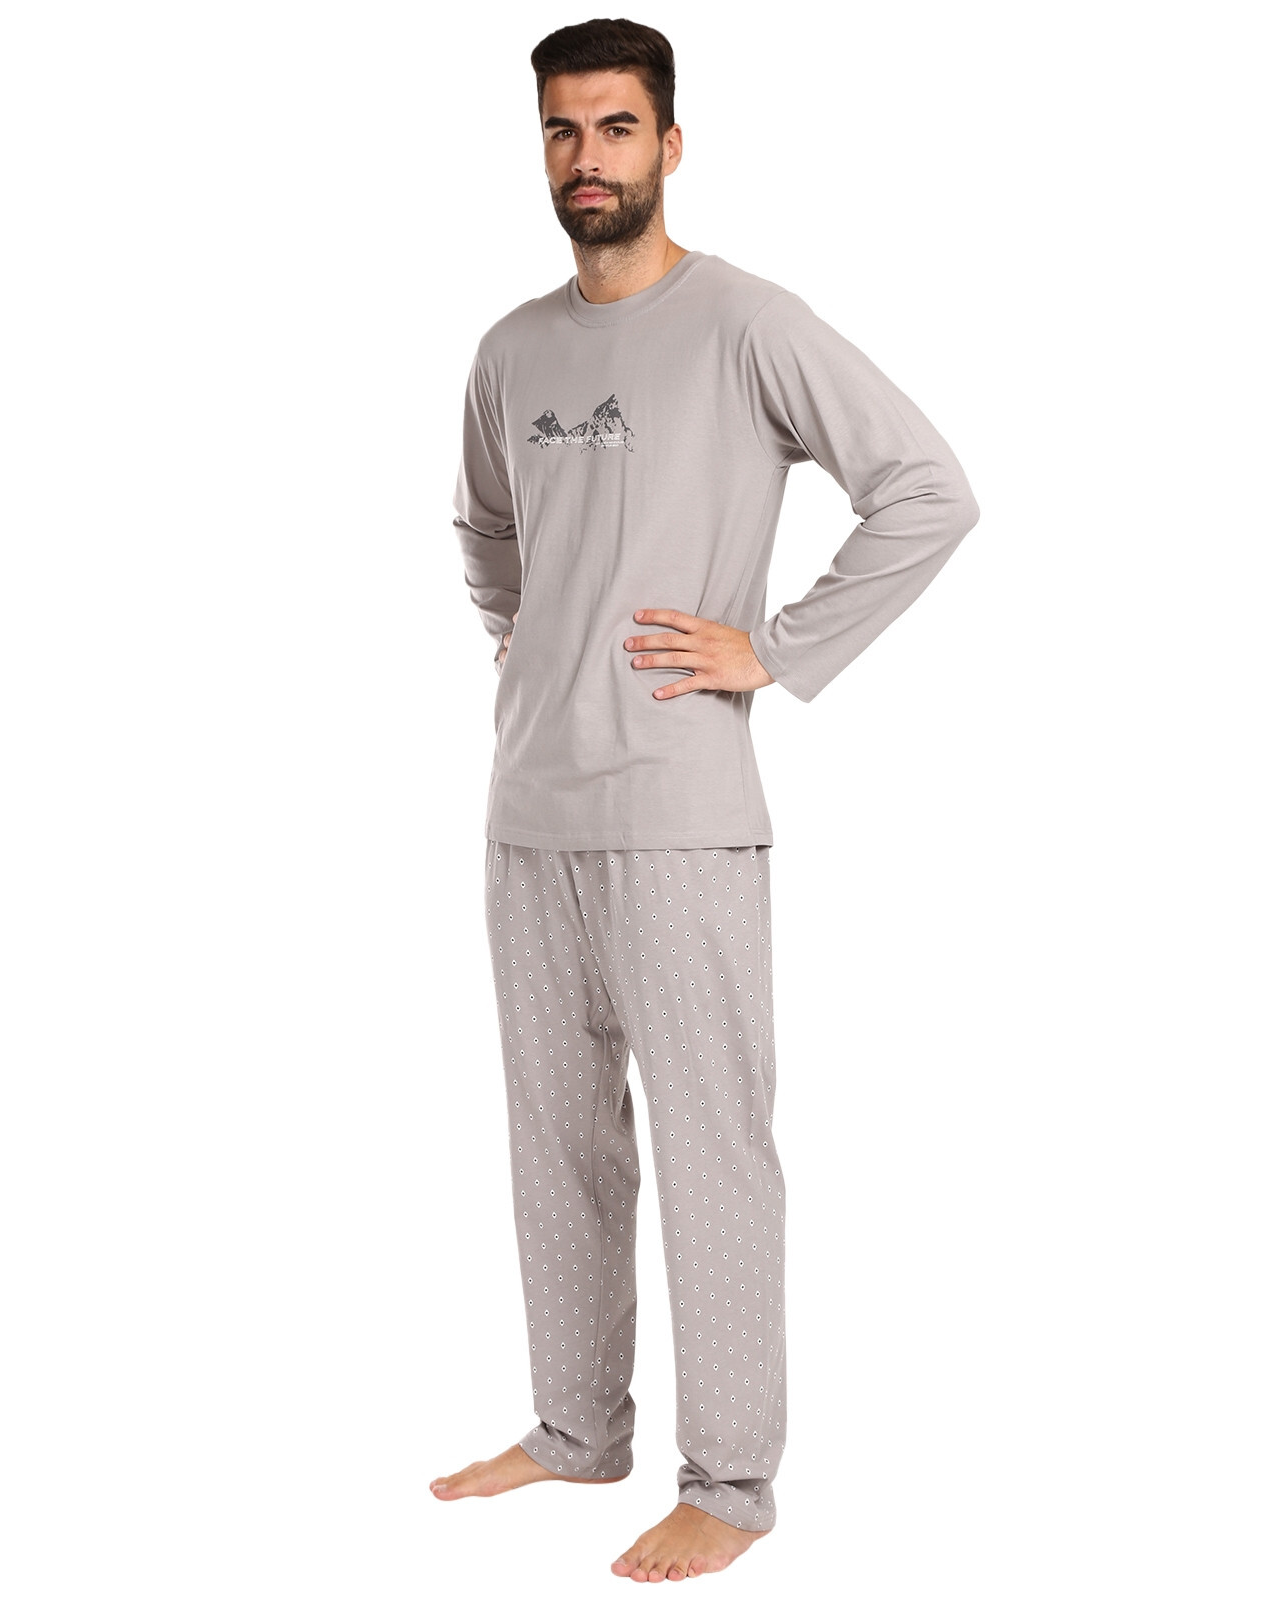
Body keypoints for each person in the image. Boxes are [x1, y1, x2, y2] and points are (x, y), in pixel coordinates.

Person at [431, 16, 980, 1582]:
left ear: (670, 145)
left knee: (713, 1147)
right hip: (527, 816)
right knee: (557, 1142)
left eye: (615, 127)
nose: (585, 157)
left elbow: (928, 491)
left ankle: (730, 1485)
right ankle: (575, 1428)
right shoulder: (510, 350)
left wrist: (777, 650)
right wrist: (527, 640)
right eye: (561, 129)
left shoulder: (748, 324)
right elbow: (484, 532)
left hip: (682, 813)